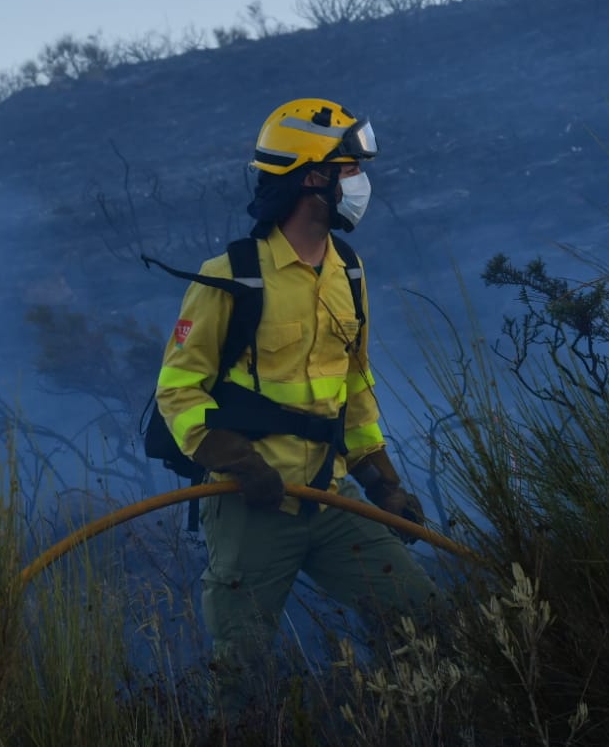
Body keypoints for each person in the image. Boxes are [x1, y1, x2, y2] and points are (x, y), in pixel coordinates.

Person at [152, 98, 436, 720]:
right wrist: (239, 461)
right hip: (253, 506)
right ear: (312, 179)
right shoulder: (231, 276)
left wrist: (383, 485)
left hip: (329, 503)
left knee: (425, 622)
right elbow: (178, 388)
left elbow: (354, 392)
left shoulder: (350, 274)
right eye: (347, 168)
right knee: (241, 673)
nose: (358, 182)